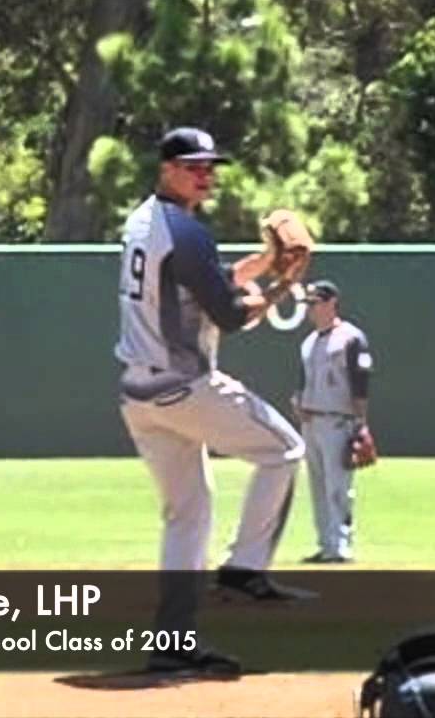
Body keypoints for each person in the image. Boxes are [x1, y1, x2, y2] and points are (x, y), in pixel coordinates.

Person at [114, 126, 312, 675]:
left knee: (187, 516)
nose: (205, 175)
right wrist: (282, 285)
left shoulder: (144, 221)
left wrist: (266, 262)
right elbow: (228, 313)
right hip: (184, 387)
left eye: (209, 166)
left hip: (138, 394)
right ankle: (244, 570)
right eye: (193, 166)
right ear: (167, 168)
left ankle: (171, 645)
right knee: (285, 450)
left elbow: (206, 280)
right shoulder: (188, 232)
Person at [290, 280, 375, 563]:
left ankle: (341, 546)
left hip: (338, 421)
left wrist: (360, 423)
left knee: (337, 487)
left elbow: (360, 383)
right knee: (318, 487)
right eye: (309, 304)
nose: (310, 309)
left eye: (315, 303)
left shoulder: (351, 338)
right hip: (311, 422)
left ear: (331, 303)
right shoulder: (308, 342)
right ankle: (326, 544)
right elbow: (303, 380)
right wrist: (298, 401)